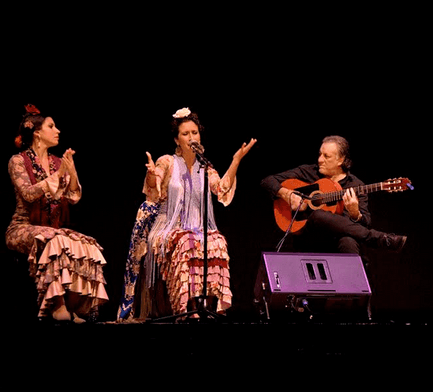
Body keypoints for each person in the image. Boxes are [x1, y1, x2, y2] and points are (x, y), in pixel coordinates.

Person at [117, 107, 256, 321]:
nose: (191, 137)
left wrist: (236, 160)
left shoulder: (204, 166)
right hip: (166, 226)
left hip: (196, 228)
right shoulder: (167, 161)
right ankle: (186, 308)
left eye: (195, 132)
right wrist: (152, 174)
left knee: (217, 241)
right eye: (185, 134)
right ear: (176, 140)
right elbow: (155, 186)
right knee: (186, 241)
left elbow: (221, 189)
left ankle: (207, 305)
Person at [6, 104, 108, 323]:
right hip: (22, 227)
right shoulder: (18, 161)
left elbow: (72, 198)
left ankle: (76, 306)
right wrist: (58, 176)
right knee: (56, 240)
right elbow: (29, 194)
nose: (58, 130)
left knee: (87, 245)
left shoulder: (57, 163)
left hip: (52, 230)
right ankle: (56, 305)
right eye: (51, 126)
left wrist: (70, 172)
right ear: (37, 133)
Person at [260, 135, 407, 256]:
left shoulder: (356, 185)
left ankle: (355, 290)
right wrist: (287, 194)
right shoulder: (309, 172)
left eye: (326, 156)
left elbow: (365, 222)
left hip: (336, 238)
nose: (320, 160)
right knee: (317, 215)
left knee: (349, 241)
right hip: (308, 235)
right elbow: (267, 181)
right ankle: (378, 239)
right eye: (320, 154)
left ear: (341, 160)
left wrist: (355, 214)